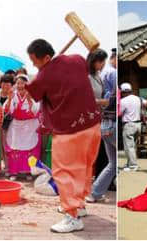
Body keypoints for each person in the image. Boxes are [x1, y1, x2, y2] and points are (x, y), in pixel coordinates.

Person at [25, 39, 101, 233]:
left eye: (34, 60)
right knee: (84, 167)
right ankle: (79, 205)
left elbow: (34, 92)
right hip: (92, 125)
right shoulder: (77, 59)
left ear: (47, 57)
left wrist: (38, 77)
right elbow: (81, 70)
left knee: (65, 172)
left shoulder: (41, 77)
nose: (33, 64)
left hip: (70, 132)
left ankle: (72, 216)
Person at [87, 51, 117, 203]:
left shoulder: (99, 76)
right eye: (101, 61)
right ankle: (91, 191)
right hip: (93, 120)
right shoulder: (88, 77)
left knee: (110, 161)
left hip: (102, 120)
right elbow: (86, 99)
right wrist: (101, 102)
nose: (103, 64)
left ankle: (95, 192)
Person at [6, 74, 40, 181]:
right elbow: (9, 110)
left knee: (30, 149)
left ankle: (29, 171)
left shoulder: (34, 93)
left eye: (23, 83)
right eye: (18, 83)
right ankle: (14, 172)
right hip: (17, 125)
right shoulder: (13, 94)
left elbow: (36, 110)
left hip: (30, 125)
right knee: (15, 149)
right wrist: (9, 99)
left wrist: (30, 100)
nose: (20, 85)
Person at [119, 82, 146, 171]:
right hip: (138, 124)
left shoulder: (123, 101)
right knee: (132, 145)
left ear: (123, 91)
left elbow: (119, 113)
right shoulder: (139, 99)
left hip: (129, 124)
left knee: (128, 146)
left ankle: (133, 165)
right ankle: (129, 163)